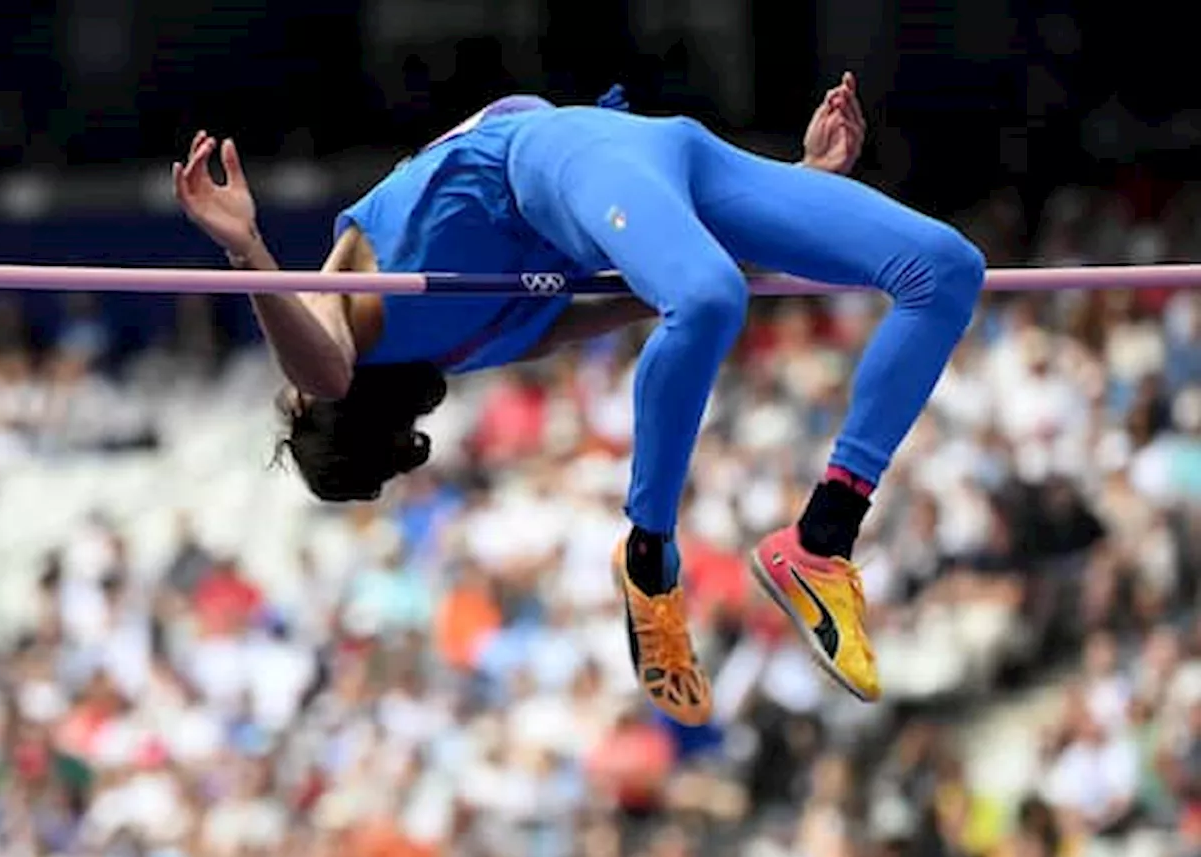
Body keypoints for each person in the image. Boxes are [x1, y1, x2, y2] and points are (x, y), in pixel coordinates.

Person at [172, 73, 985, 726]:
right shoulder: (363, 316)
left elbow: (645, 290)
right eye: (299, 399)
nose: (292, 385)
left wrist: (799, 200)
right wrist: (247, 249)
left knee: (944, 269)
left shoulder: (414, 322)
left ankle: (808, 544)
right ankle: (671, 559)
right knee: (708, 299)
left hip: (647, 156)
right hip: (581, 164)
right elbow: (324, 371)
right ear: (329, 410)